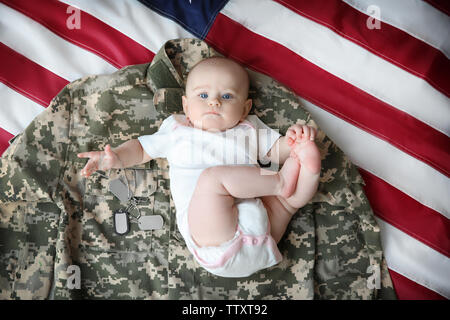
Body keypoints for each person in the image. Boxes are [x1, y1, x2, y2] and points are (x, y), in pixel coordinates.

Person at [77, 57, 321, 277]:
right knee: (213, 179)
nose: (214, 102)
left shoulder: (249, 128)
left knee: (287, 199)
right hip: (214, 238)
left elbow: (275, 152)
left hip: (263, 233)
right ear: (186, 106)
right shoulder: (177, 130)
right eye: (202, 96)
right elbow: (141, 149)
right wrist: (116, 157)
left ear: (245, 109)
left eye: (226, 96)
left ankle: (300, 179)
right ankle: (281, 183)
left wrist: (295, 142)